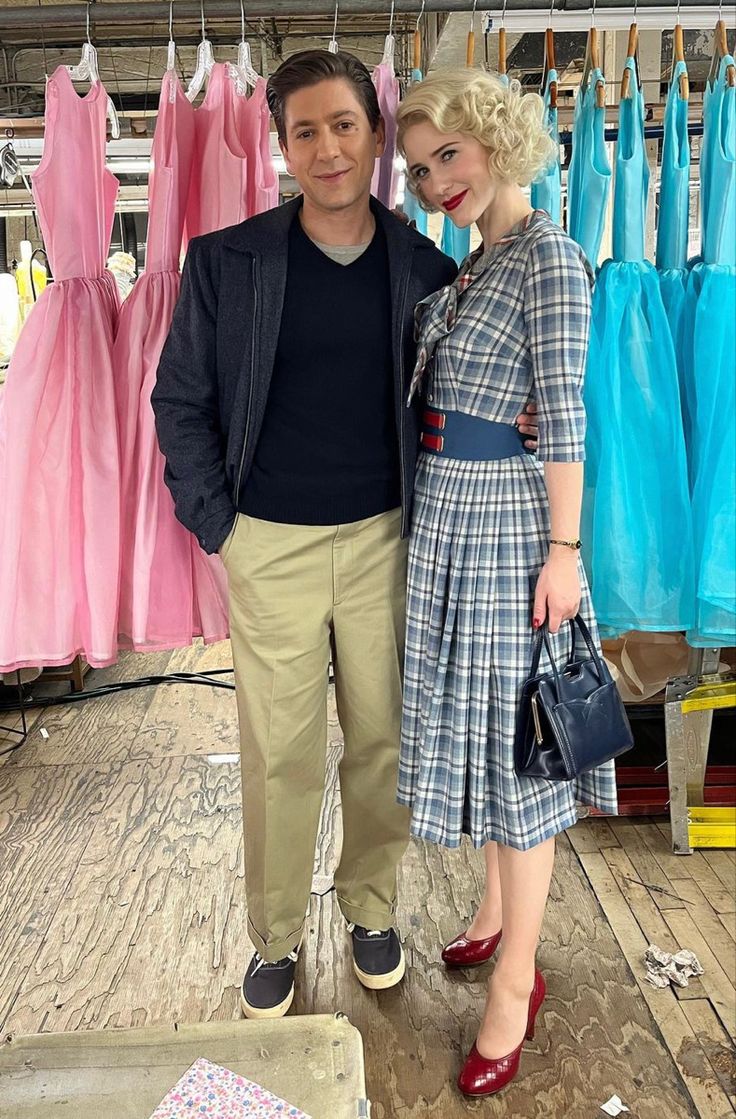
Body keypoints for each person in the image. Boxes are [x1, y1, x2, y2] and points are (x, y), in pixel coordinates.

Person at [152, 50, 538, 1021]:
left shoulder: (426, 266)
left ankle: (369, 905)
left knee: (381, 744)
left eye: (345, 126)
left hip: (385, 542)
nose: (328, 148)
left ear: (376, 134)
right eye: (305, 132)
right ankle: (275, 933)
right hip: (268, 542)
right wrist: (222, 529)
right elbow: (180, 401)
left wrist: (520, 425)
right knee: (277, 751)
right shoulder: (226, 261)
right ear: (280, 148)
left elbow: (469, 389)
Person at [396, 70, 618, 1098]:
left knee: (520, 755)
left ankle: (515, 979)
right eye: (421, 165)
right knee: (486, 733)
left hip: (505, 526)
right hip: (446, 516)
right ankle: (491, 918)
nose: (437, 177)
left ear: (496, 140)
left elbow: (565, 417)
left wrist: (564, 555)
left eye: (451, 153)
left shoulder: (549, 259)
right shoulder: (473, 263)